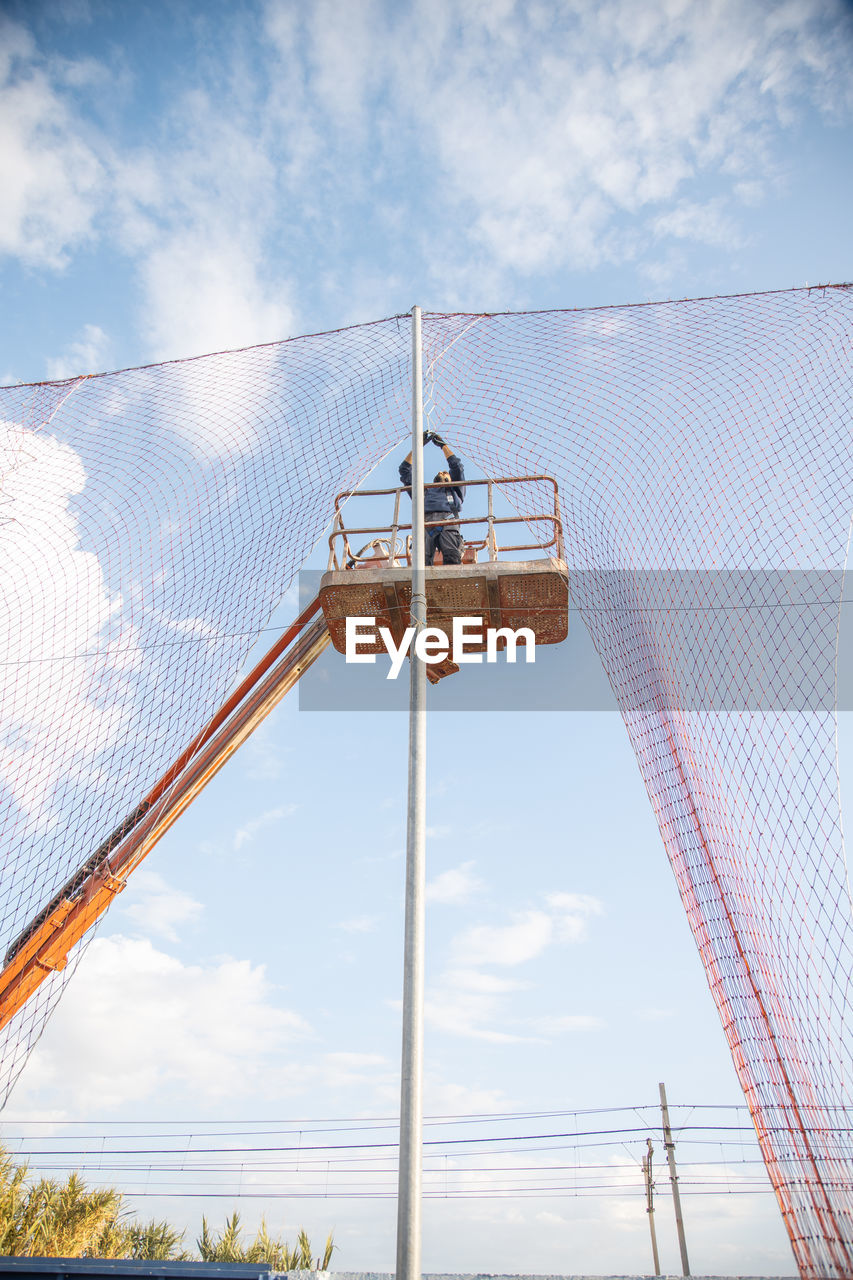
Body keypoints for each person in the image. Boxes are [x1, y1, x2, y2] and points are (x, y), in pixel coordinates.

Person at [399, 431, 466, 565]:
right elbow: (404, 470)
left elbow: (457, 466)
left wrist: (443, 445)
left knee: (452, 558)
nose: (442, 472)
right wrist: (417, 447)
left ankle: (451, 583)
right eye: (440, 472)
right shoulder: (424, 491)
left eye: (446, 473)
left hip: (448, 521)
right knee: (421, 563)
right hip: (425, 523)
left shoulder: (455, 489)